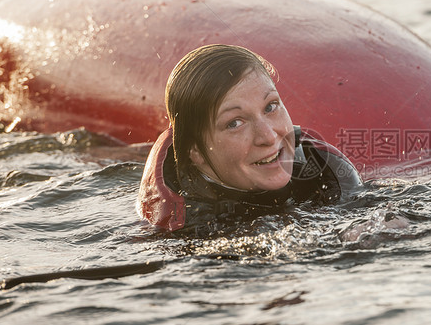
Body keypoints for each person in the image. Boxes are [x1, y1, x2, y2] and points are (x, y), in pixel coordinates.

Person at [137, 44, 362, 234]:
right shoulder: (188, 225)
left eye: (270, 107)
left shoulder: (323, 172)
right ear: (195, 152)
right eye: (235, 123)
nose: (268, 136)